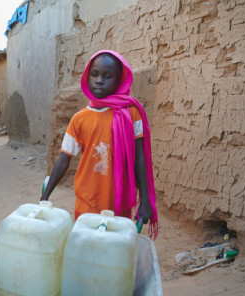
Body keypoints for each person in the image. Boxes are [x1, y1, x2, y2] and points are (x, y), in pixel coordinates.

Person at [41, 50, 158, 238]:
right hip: (87, 201)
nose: (99, 80)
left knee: (113, 249)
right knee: (86, 246)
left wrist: (145, 200)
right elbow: (64, 159)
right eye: (94, 74)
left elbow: (139, 159)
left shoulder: (131, 114)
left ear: (119, 80)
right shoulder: (79, 119)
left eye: (107, 76)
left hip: (118, 202)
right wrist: (45, 196)